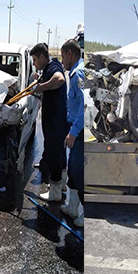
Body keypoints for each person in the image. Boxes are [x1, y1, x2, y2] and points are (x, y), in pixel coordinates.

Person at [30, 43, 68, 202]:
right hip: (57, 119)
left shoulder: (53, 68)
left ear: (42, 57)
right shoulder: (51, 66)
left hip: (55, 120)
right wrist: (40, 80)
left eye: (34, 60)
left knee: (53, 153)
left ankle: (55, 193)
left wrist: (41, 87)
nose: (34, 64)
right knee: (59, 153)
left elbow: (59, 79)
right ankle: (62, 185)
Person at [60, 39, 85, 227]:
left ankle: (84, 215)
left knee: (77, 171)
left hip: (80, 131)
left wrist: (74, 133)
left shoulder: (78, 74)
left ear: (70, 54)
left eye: (63, 57)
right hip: (75, 128)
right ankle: (73, 207)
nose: (62, 62)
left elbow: (84, 106)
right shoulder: (76, 71)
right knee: (73, 169)